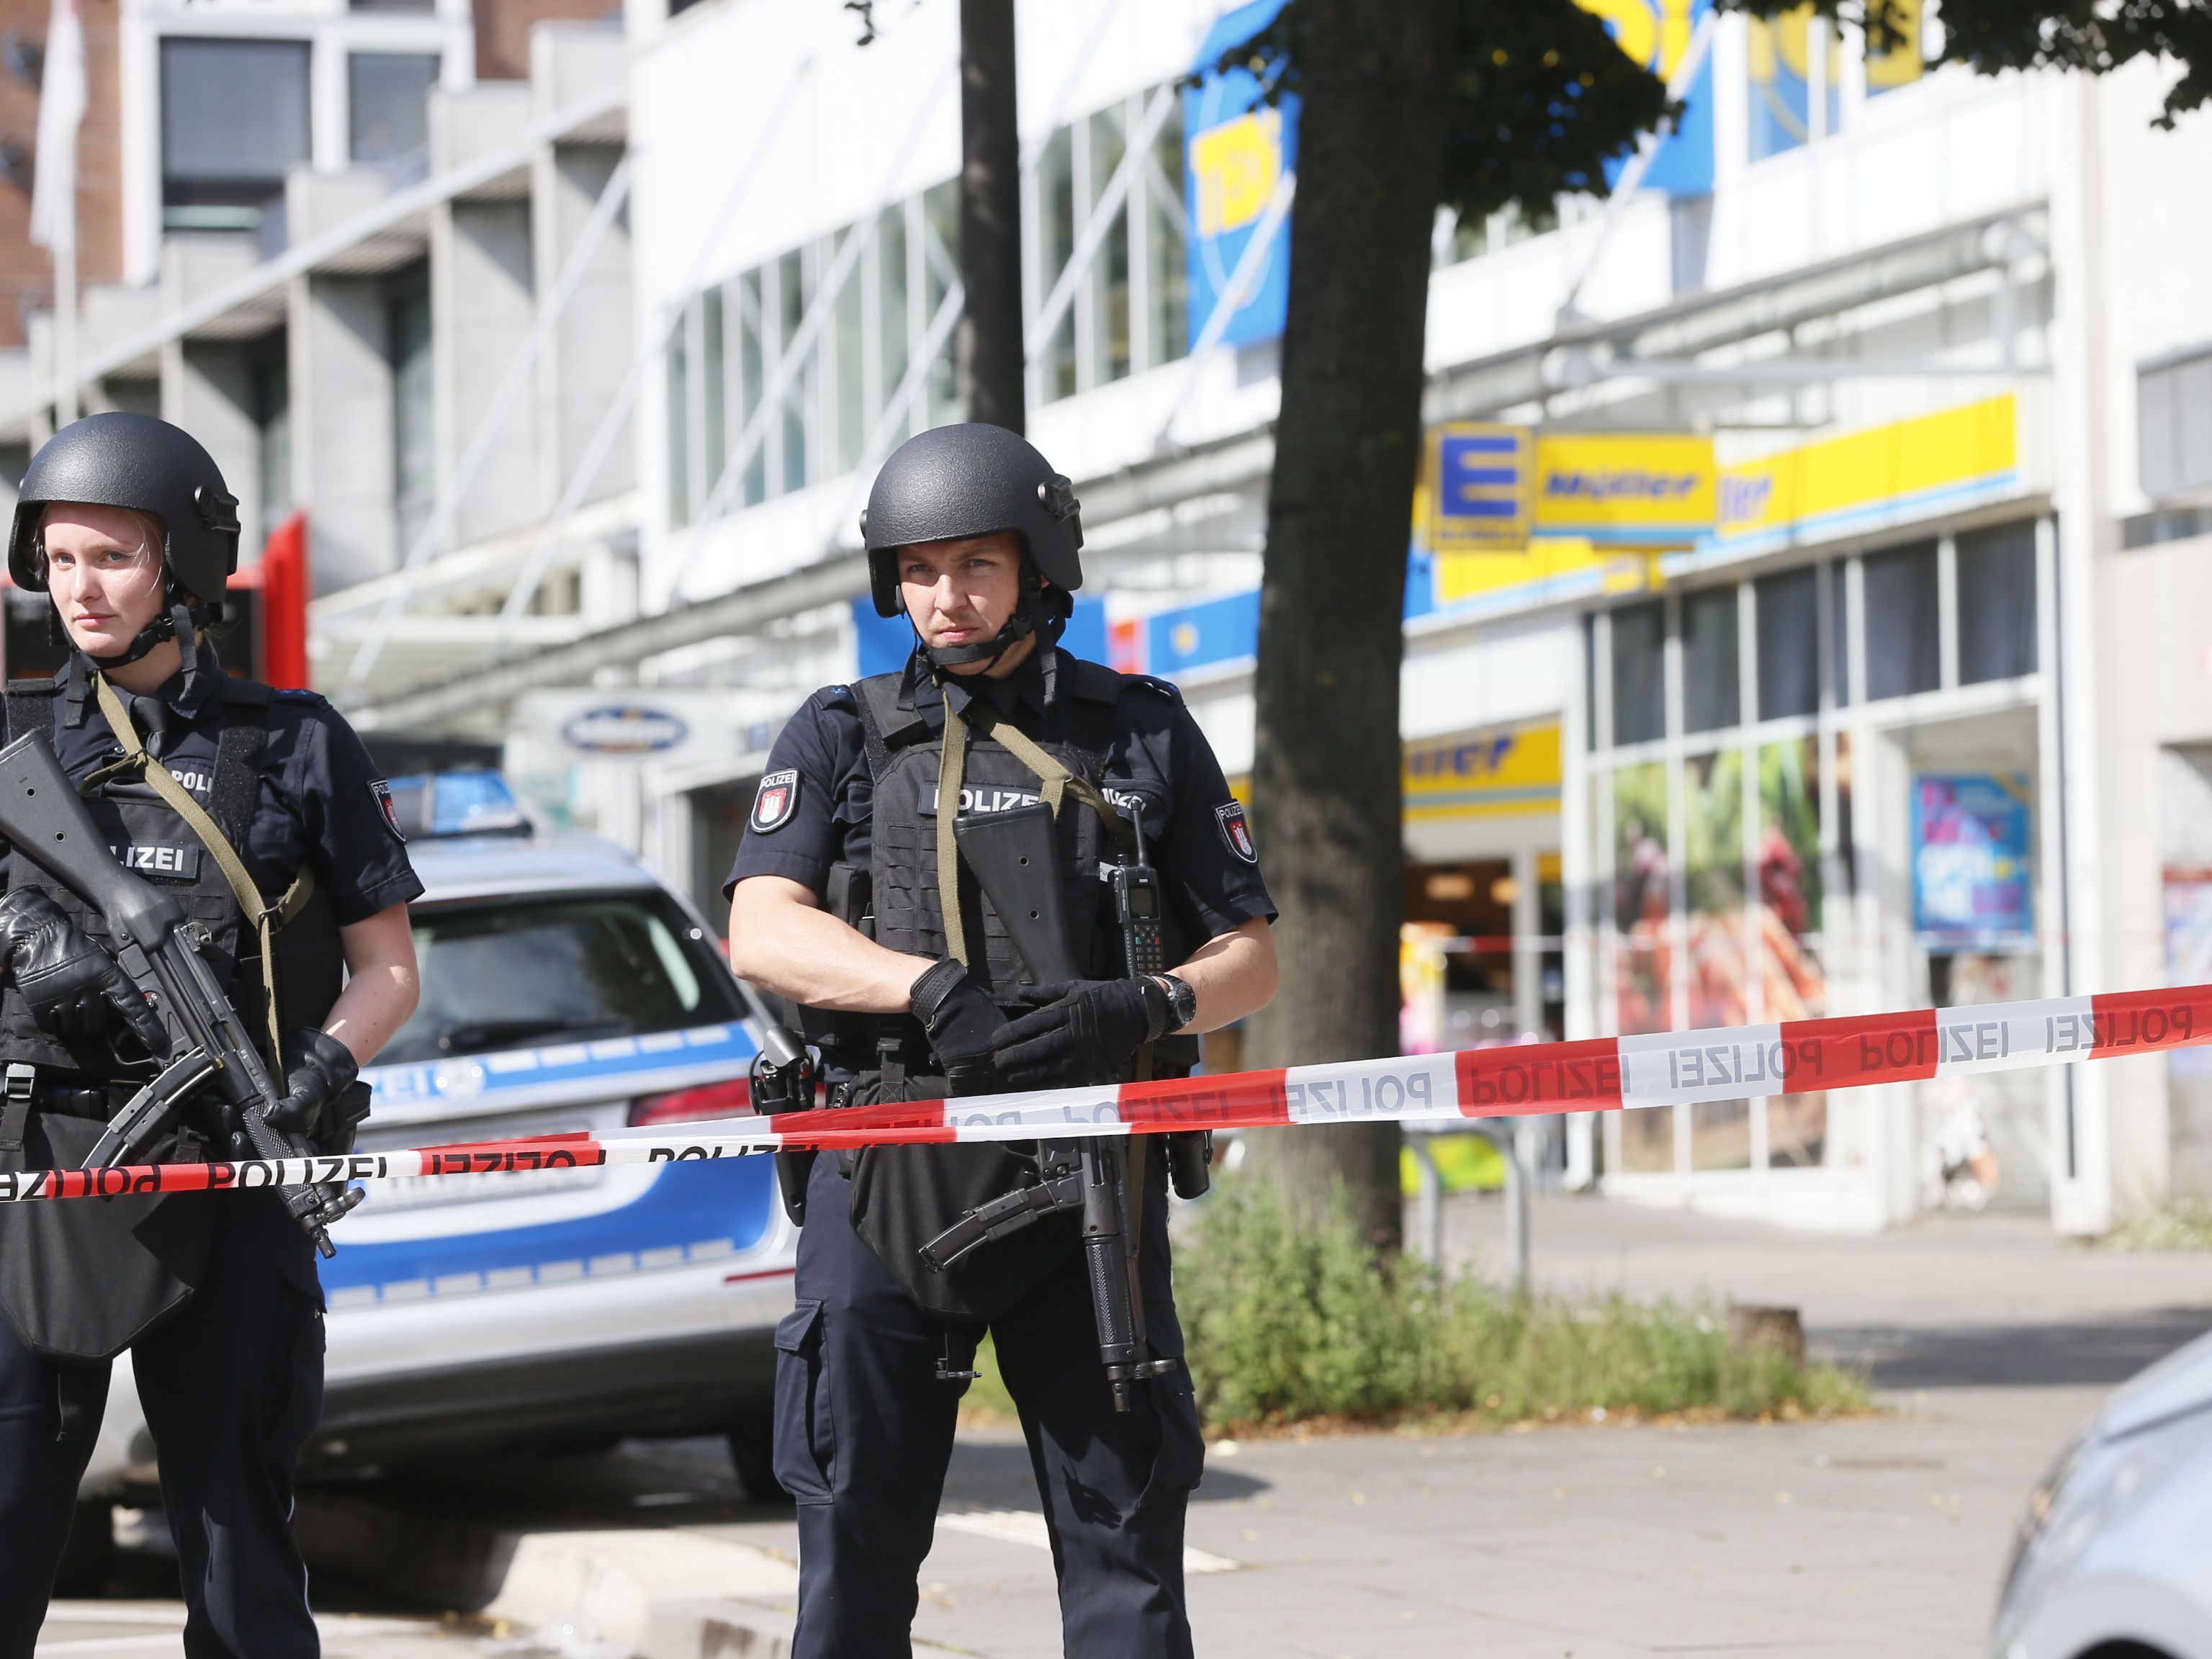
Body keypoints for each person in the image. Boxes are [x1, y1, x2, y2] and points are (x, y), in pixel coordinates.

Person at [726, 422, 1278, 1659]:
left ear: (1038, 567)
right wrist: (922, 989)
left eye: (974, 565)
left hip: (1090, 1167)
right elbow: (762, 931)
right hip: (887, 1159)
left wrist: (1148, 1006)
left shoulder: (1138, 731)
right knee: (852, 1552)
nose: (944, 597)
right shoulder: (840, 733)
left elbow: (1251, 954)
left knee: (1125, 1558)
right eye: (918, 571)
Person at [0, 413, 423, 1658]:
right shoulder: (15, 740)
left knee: (241, 1552)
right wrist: (29, 947)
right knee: (11, 1514)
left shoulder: (292, 742)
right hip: (46, 1174)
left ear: (181, 566)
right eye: (61, 557)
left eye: (113, 558)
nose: (81, 586)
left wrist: (324, 1067)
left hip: (236, 1170)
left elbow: (387, 966)